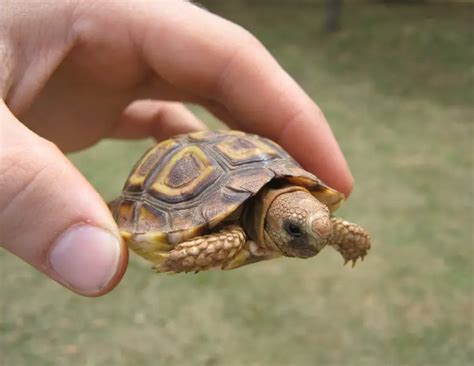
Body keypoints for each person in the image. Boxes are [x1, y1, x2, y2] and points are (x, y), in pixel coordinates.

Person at [0, 1, 353, 297]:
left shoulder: (305, 214)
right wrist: (184, 255)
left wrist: (346, 238)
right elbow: (218, 240)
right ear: (274, 222)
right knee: (229, 240)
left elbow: (324, 225)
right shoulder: (231, 235)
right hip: (176, 203)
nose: (310, 242)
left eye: (309, 229)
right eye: (293, 230)